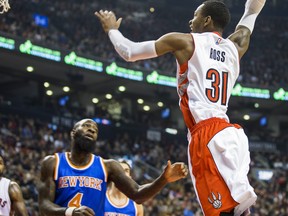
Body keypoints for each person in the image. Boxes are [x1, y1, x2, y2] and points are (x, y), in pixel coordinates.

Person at [95, 0, 266, 215]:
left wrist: (111, 30)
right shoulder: (235, 46)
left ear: (207, 20)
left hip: (206, 136)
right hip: (232, 135)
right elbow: (251, 13)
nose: (190, 20)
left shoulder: (185, 41)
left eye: (195, 15)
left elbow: (130, 52)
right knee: (238, 210)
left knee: (219, 212)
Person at [38, 118, 188, 216]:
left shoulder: (107, 166)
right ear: (73, 133)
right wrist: (70, 212)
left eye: (95, 130)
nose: (91, 130)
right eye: (86, 126)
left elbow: (137, 194)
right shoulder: (53, 163)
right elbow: (44, 205)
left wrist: (164, 179)